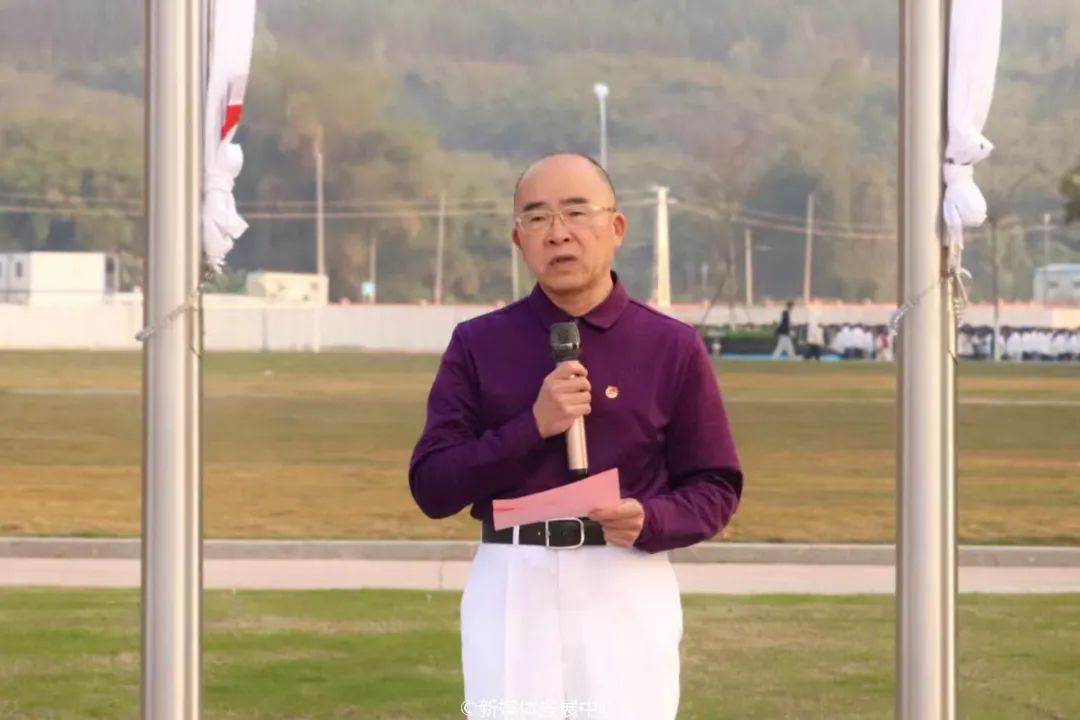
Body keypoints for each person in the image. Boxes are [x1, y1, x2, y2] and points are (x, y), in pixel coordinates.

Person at [409, 152, 743, 720]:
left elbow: (715, 485)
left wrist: (651, 519)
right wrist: (531, 427)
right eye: (537, 218)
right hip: (512, 582)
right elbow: (433, 486)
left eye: (576, 212)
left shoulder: (671, 345)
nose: (557, 233)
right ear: (518, 239)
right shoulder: (478, 344)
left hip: (625, 577)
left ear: (617, 227)